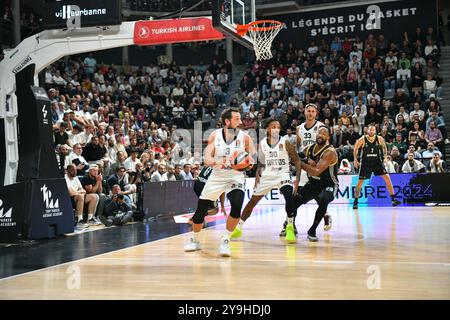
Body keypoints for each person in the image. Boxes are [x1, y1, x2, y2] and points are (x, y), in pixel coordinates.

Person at [184, 108, 255, 257]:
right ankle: (195, 240)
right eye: (237, 118)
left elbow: (252, 157)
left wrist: (249, 162)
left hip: (235, 176)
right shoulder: (214, 135)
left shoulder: (245, 137)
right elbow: (207, 159)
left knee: (236, 206)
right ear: (227, 121)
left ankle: (225, 240)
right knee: (200, 211)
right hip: (217, 176)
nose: (240, 121)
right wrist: (222, 161)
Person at [230, 119, 302, 242]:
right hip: (267, 176)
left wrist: (297, 180)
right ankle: (238, 227)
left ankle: (289, 226)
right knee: (252, 203)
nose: (276, 129)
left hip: (282, 174)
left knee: (289, 197)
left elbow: (297, 161)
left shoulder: (286, 142)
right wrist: (258, 175)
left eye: (278, 127)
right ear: (267, 129)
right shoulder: (262, 143)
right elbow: (261, 164)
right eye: (273, 126)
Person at [291, 126, 338, 241]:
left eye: (324, 133)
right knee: (293, 202)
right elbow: (295, 159)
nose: (320, 135)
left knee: (324, 199)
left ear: (328, 137)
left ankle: (312, 230)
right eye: (319, 133)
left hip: (329, 184)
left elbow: (316, 171)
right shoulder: (309, 149)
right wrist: (303, 161)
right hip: (313, 183)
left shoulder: (330, 152)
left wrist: (300, 163)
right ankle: (289, 225)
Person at [353, 125, 401, 209]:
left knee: (387, 178)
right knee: (360, 182)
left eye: (373, 130)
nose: (371, 131)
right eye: (370, 130)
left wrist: (385, 157)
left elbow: (384, 147)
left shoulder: (379, 138)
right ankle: (355, 201)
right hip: (365, 163)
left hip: (377, 162)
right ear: (367, 130)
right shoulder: (362, 139)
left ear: (375, 131)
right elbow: (356, 148)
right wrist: (355, 160)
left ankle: (393, 199)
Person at [65, 164, 98, 231]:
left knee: (93, 196)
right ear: (68, 171)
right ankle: (79, 220)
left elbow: (83, 190)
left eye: (76, 170)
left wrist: (79, 192)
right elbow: (71, 193)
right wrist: (79, 192)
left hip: (78, 196)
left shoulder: (75, 178)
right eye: (73, 170)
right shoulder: (65, 178)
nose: (75, 172)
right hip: (69, 199)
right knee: (80, 196)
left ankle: (90, 218)